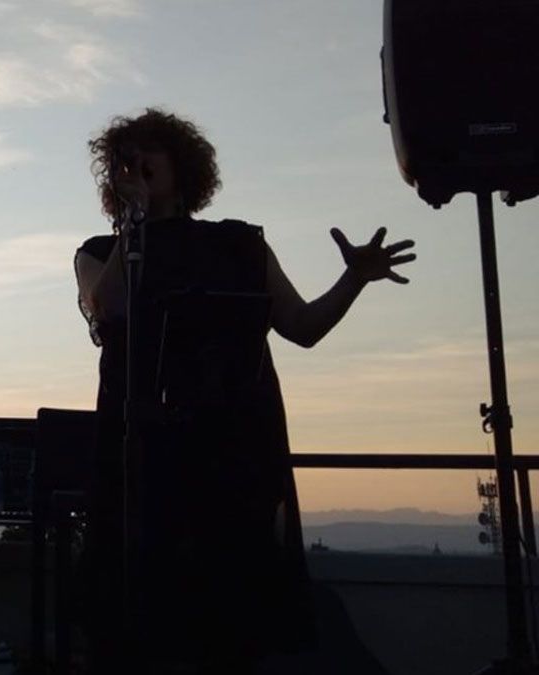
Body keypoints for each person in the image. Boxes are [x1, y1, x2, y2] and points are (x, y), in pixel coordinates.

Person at [73, 109, 415, 674]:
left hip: (231, 456)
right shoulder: (100, 252)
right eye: (121, 161)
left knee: (228, 621)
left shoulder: (239, 245)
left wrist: (354, 279)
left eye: (145, 153)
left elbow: (301, 327)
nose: (132, 166)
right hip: (141, 461)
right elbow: (107, 307)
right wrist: (131, 226)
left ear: (180, 166)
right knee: (140, 617)